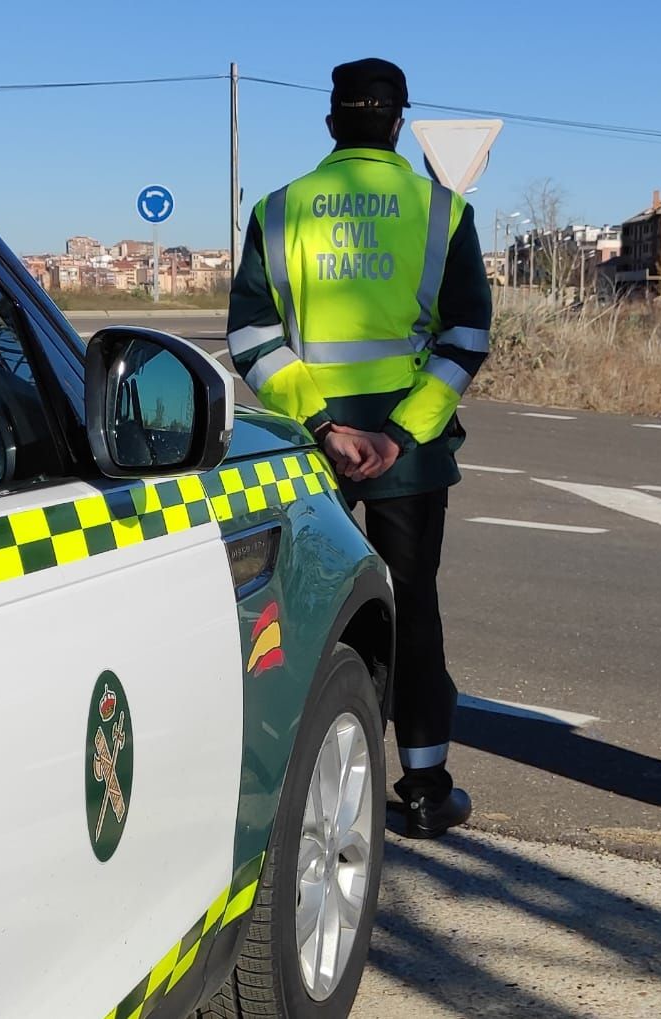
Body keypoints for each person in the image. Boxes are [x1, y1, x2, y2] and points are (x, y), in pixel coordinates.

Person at [226, 57, 492, 839]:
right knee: (413, 606)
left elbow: (251, 335)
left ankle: (294, 788)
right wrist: (401, 431)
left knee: (308, 612)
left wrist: (322, 426)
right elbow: (466, 336)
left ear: (333, 121)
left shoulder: (280, 211)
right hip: (407, 454)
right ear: (399, 123)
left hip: (316, 453)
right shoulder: (441, 211)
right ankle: (423, 786)